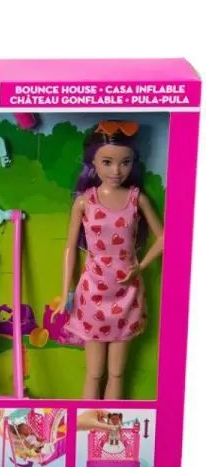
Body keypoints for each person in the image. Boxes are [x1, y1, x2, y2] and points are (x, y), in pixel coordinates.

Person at [52, 121, 164, 400]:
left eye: (125, 162)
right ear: (93, 162)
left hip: (127, 293)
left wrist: (140, 266)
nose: (116, 170)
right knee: (94, 373)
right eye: (107, 162)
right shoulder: (84, 202)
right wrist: (66, 293)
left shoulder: (136, 200)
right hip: (92, 293)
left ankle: (112, 421)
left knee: (117, 373)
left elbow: (164, 238)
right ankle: (87, 420)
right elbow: (70, 248)